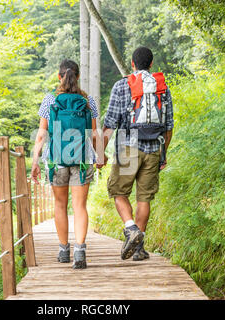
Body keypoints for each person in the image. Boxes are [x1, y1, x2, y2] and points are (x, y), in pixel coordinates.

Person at [98, 47, 174, 261]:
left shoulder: (122, 85)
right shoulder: (162, 88)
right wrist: (163, 153)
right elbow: (169, 126)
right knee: (144, 198)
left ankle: (131, 229)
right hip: (153, 148)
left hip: (127, 145)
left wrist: (100, 153)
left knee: (118, 191)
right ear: (151, 64)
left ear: (132, 64)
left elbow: (110, 123)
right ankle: (138, 249)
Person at [31, 59, 100, 269]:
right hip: (82, 159)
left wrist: (35, 160)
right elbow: (94, 133)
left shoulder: (50, 99)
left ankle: (63, 250)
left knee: (60, 205)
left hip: (56, 159)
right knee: (80, 206)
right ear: (78, 77)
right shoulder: (88, 100)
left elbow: (42, 134)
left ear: (59, 77)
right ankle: (80, 251)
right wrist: (99, 156)